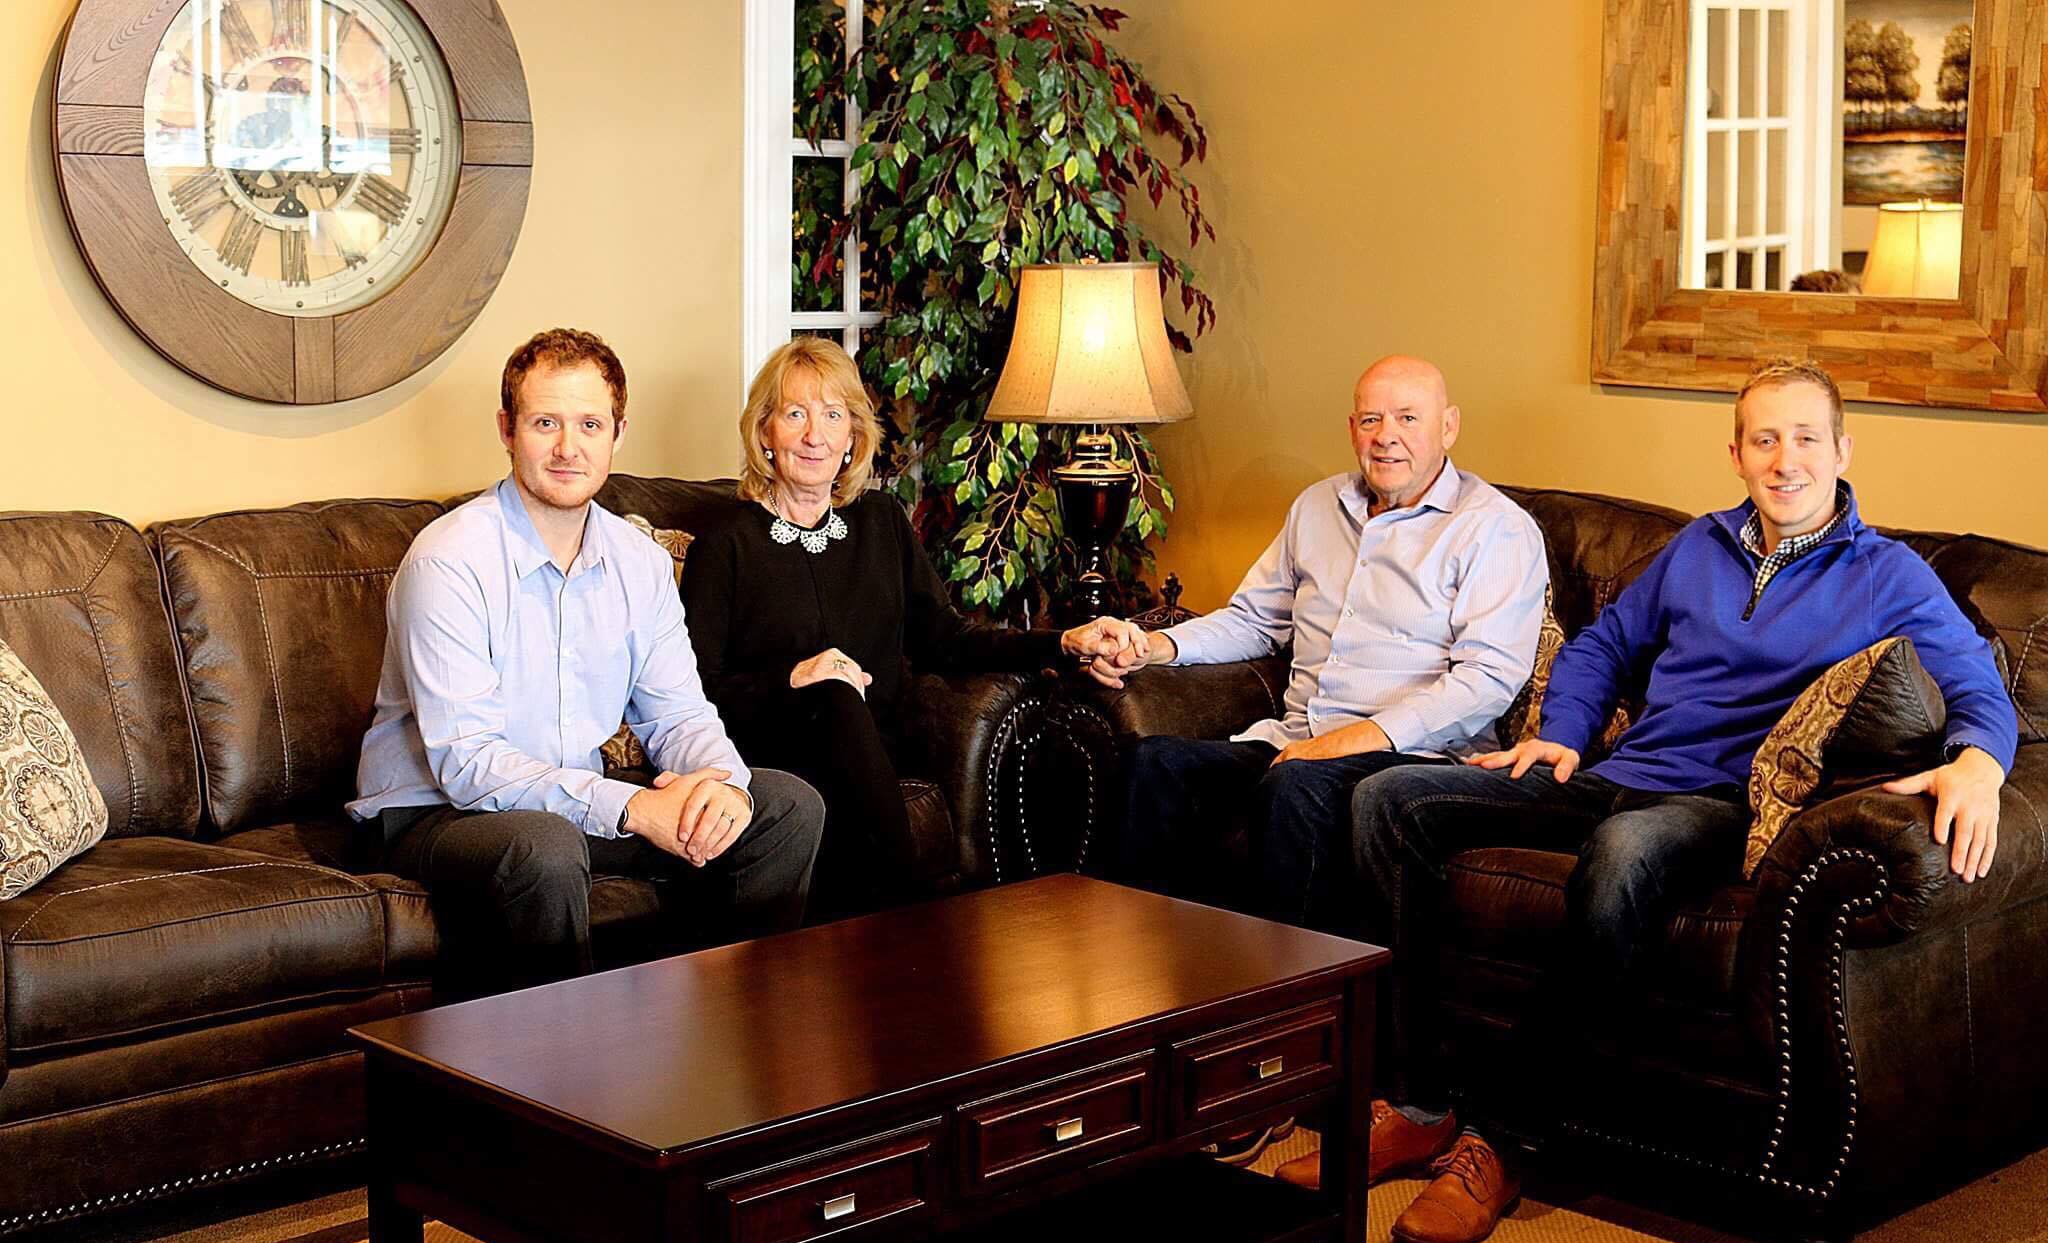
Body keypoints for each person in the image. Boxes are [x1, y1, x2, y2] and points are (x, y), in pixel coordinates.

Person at [1337, 358, 2019, 1243]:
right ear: (1736, 453)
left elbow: (1979, 684)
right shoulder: (1700, 545)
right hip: (1617, 771)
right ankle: (1417, 1102)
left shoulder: (1887, 573)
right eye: (1764, 439)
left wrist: (1978, 765)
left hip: (1721, 803)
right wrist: (1565, 733)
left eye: (1805, 439)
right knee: (1389, 800)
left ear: (1842, 451)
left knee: (1623, 851)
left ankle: (1501, 1140)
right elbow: (1602, 645)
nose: (1785, 460)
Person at [350, 329, 826, 995]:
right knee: (542, 848)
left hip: (565, 802)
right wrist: (634, 808)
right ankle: (570, 1060)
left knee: (782, 806)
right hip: (434, 813)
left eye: (590, 425)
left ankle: (718, 1029)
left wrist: (719, 786)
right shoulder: (448, 562)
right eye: (546, 423)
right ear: (508, 429)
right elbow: (468, 765)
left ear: (618, 434)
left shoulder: (640, 563)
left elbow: (678, 714)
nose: (568, 448)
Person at [680, 336, 1144, 915]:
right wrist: (795, 677)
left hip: (873, 750)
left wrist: (1064, 643)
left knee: (850, 709)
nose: (815, 435)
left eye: (833, 416)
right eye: (795, 414)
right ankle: (913, 921)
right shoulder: (726, 543)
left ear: (853, 438)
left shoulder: (880, 522)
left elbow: (948, 639)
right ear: (765, 432)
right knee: (834, 692)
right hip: (772, 748)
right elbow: (694, 689)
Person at [1104, 355, 1549, 928]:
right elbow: (1254, 620)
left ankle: (1289, 984)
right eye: (1371, 420)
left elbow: (1485, 683)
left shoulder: (1494, 528)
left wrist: (1347, 743)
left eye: (1408, 418)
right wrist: (1152, 646)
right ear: (1352, 428)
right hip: (1295, 741)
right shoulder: (1317, 506)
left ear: (1448, 427)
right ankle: (1145, 965)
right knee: (1153, 762)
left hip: (1410, 761)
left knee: (1295, 786)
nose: (1386, 436)